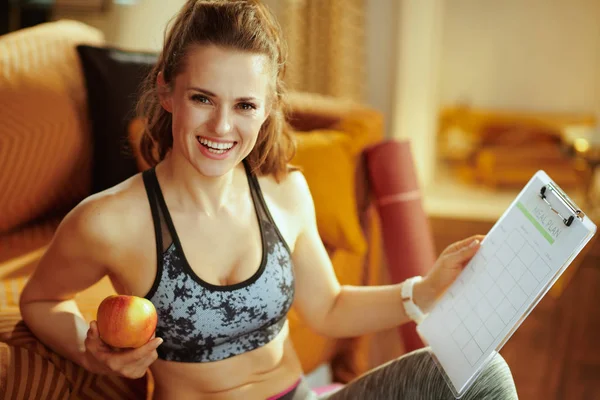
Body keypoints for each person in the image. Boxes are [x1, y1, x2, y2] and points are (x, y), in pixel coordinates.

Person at [19, 1, 518, 399]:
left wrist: (422, 292)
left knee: (484, 375)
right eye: (202, 98)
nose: (221, 127)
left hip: (298, 394)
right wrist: (90, 348)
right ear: (167, 91)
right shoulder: (111, 220)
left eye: (244, 106)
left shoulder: (285, 192)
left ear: (267, 111)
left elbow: (329, 308)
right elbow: (40, 300)